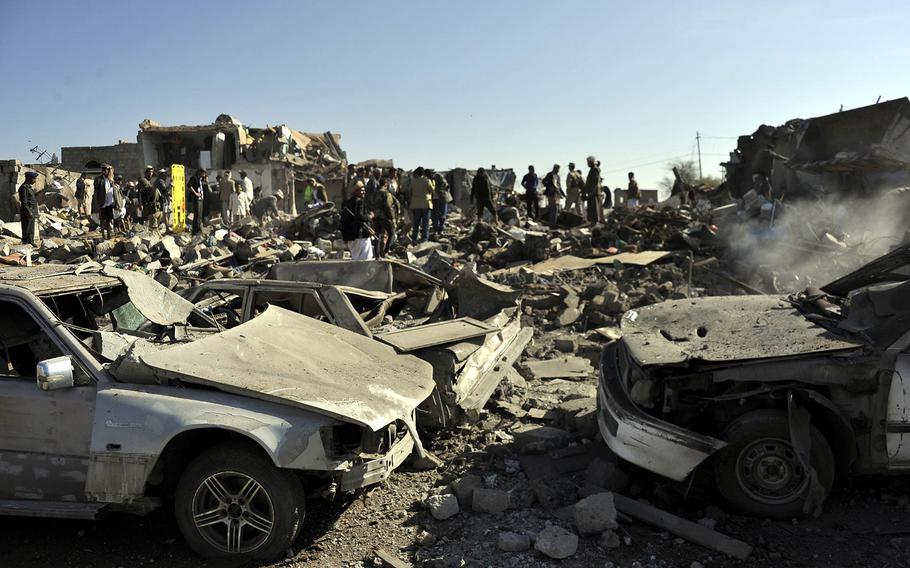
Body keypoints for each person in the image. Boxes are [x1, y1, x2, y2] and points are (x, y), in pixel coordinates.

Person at [340, 181, 374, 260]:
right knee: (366, 258)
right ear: (356, 191)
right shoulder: (359, 202)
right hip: (360, 236)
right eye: (362, 190)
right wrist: (370, 216)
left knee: (355, 258)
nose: (364, 192)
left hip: (350, 237)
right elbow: (360, 216)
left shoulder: (346, 203)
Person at [373, 177, 401, 258]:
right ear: (386, 184)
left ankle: (377, 255)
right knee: (391, 233)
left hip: (375, 217)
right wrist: (392, 218)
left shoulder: (374, 194)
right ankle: (385, 252)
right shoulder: (386, 194)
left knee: (377, 236)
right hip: (385, 217)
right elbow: (388, 207)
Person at [408, 167, 434, 243]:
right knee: (425, 223)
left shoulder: (413, 181)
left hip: (415, 204)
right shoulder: (427, 180)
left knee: (416, 223)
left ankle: (414, 239)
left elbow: (409, 191)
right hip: (426, 204)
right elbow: (432, 190)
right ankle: (424, 239)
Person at [93, 164, 116, 239]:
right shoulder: (98, 179)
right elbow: (96, 192)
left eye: (106, 170)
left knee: (109, 220)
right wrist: (97, 204)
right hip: (102, 203)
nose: (104, 171)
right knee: (102, 220)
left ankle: (109, 235)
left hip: (109, 203)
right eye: (103, 169)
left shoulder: (110, 179)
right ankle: (103, 235)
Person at [18, 171, 39, 245]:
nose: (35, 180)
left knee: (31, 227)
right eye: (34, 179)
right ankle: (25, 242)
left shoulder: (29, 187)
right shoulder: (23, 188)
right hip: (27, 211)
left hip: (32, 210)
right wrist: (28, 211)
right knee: (26, 227)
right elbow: (24, 202)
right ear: (29, 178)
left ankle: (31, 241)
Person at [430, 169, 451, 234]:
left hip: (441, 198)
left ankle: (440, 229)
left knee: (442, 215)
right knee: (435, 215)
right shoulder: (429, 180)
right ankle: (436, 229)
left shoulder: (439, 177)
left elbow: (446, 186)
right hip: (434, 199)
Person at [187, 168, 207, 235]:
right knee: (197, 215)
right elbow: (189, 185)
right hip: (196, 199)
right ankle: (195, 231)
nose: (204, 174)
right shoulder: (194, 178)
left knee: (200, 215)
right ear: (200, 172)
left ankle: (199, 229)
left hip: (201, 198)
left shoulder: (201, 179)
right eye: (203, 173)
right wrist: (195, 193)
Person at [584, 156, 602, 223]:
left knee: (594, 209)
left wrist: (592, 191)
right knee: (591, 209)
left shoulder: (595, 169)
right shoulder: (591, 170)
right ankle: (592, 222)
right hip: (590, 192)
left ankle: (595, 222)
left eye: (588, 162)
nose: (587, 164)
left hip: (594, 192)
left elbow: (595, 182)